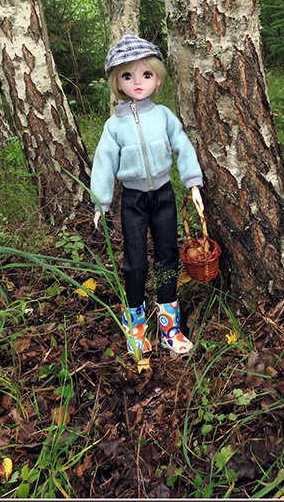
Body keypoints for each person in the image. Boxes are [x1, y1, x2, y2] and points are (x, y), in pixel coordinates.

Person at [90, 34, 204, 356]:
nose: (137, 82)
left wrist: (192, 182)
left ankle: (170, 325)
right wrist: (101, 201)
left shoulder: (164, 116)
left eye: (146, 75)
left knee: (168, 256)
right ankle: (136, 324)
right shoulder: (114, 126)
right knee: (135, 262)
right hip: (133, 200)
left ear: (156, 78)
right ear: (117, 82)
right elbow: (104, 160)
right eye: (128, 76)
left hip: (164, 195)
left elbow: (182, 146)